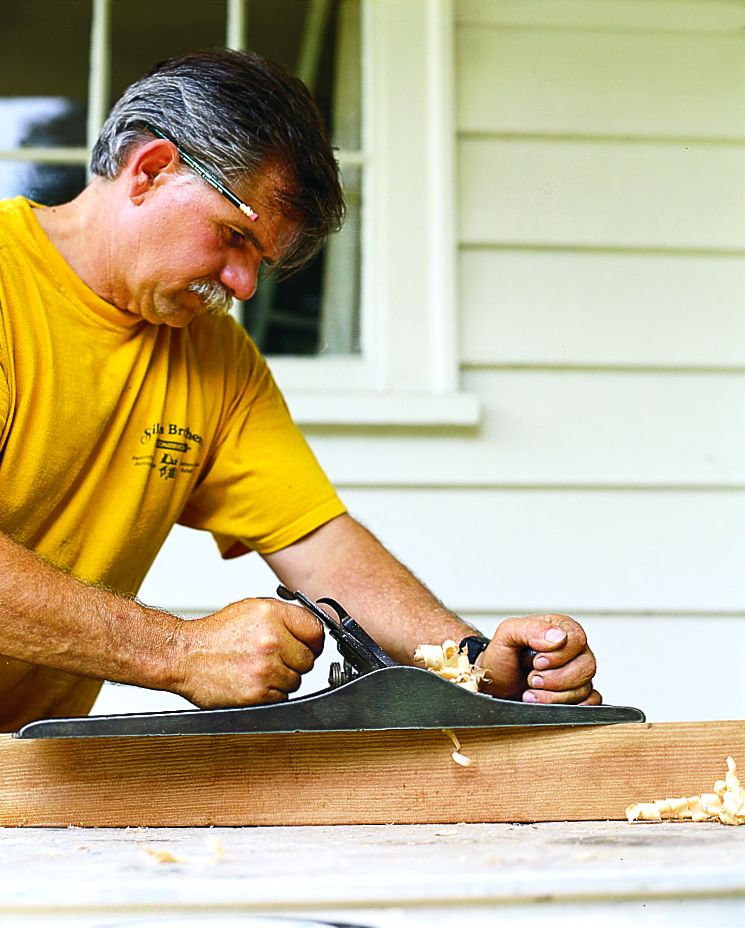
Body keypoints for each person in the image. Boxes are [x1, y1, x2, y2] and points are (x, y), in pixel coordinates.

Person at [0, 49, 600, 732]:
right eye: (232, 237)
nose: (243, 286)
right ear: (152, 171)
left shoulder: (216, 359)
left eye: (260, 261)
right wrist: (178, 652)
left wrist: (468, 662)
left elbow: (319, 544)